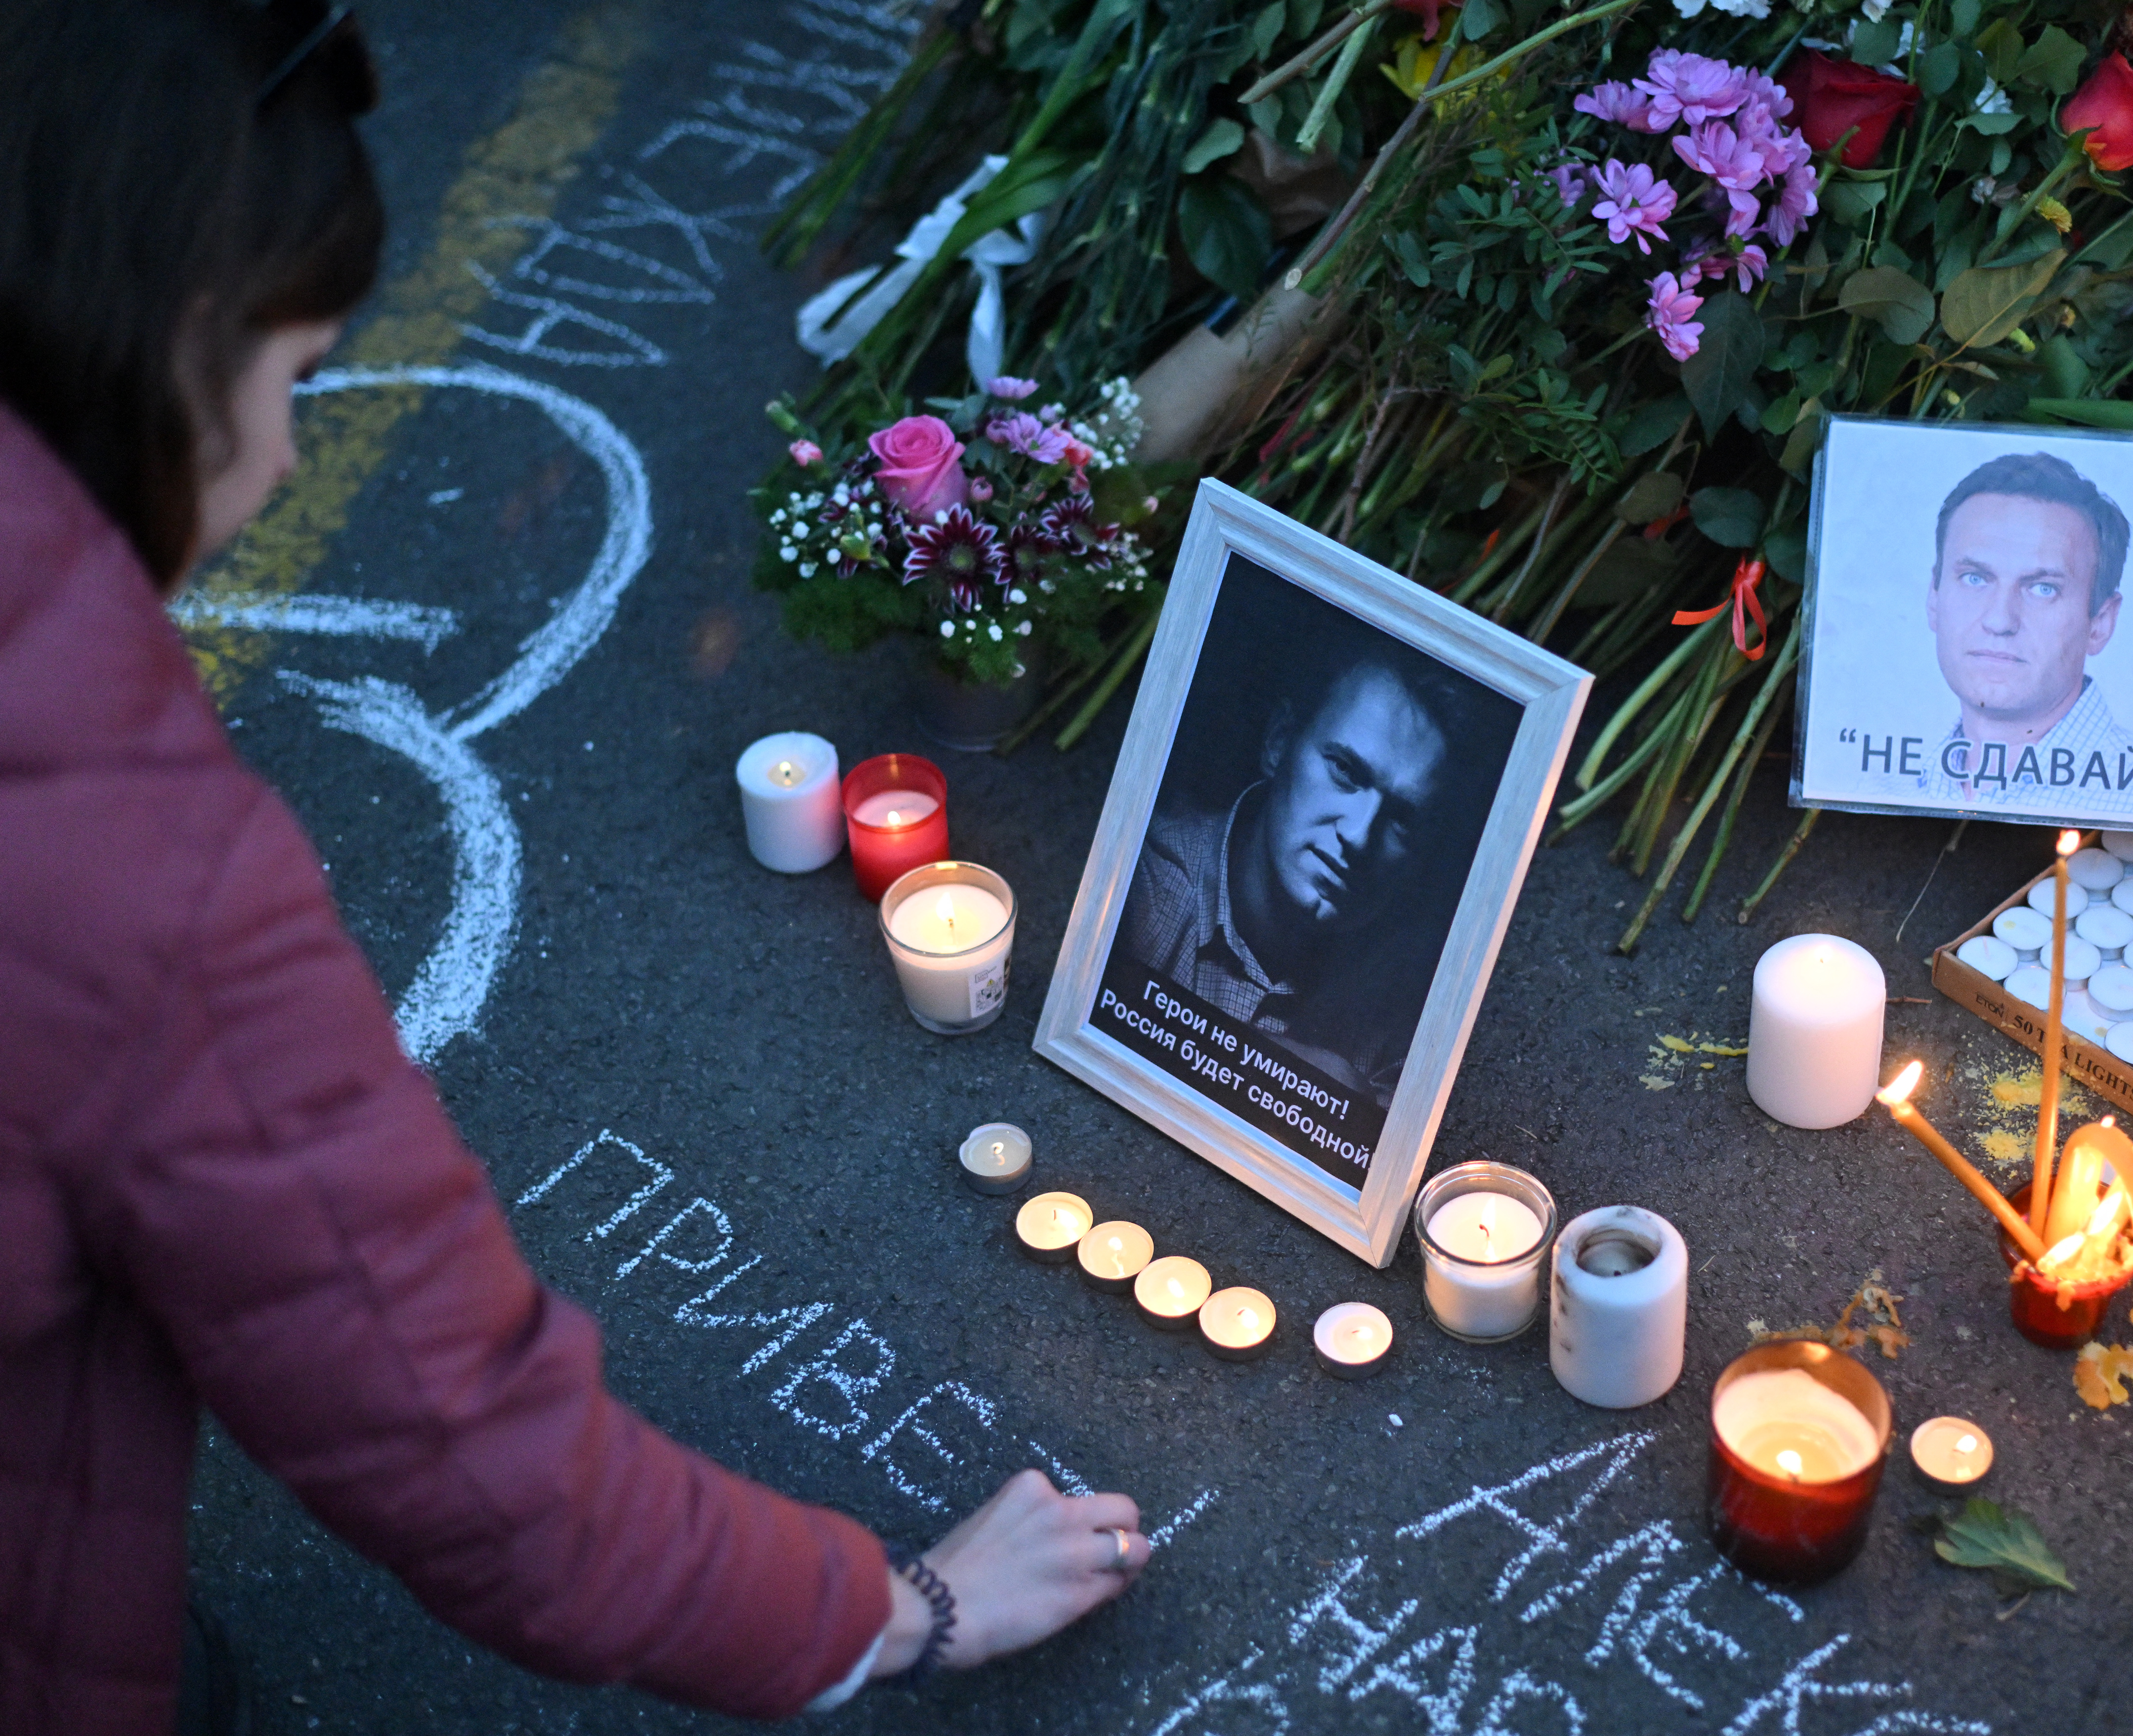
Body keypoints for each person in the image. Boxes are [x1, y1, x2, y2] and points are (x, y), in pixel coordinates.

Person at [0, 5, 1144, 1732]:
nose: (299, 452)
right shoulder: (131, 870)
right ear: (168, 341)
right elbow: (462, 1445)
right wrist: (895, 1608)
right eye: (293, 377)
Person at [1117, 639, 1474, 1109]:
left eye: (1402, 819)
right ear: (1280, 742)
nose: (1360, 835)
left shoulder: (1416, 1011)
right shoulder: (1137, 889)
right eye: (1345, 771)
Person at [1901, 450, 2133, 824]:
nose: (1999, 620)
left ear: (2101, 623)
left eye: (2043, 588)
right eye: (1975, 579)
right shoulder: (1878, 792)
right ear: (1934, 597)